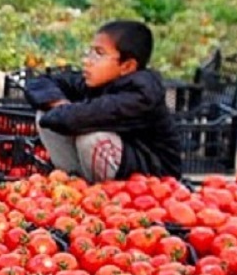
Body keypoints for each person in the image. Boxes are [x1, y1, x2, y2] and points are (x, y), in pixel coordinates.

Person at [25, 20, 182, 182]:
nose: (87, 60)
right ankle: (74, 183)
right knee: (46, 111)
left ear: (127, 66)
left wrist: (63, 112)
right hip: (120, 165)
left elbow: (79, 119)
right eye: (90, 52)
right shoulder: (97, 81)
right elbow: (39, 83)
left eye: (99, 54)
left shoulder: (142, 94)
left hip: (153, 177)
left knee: (92, 138)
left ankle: (98, 194)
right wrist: (59, 104)